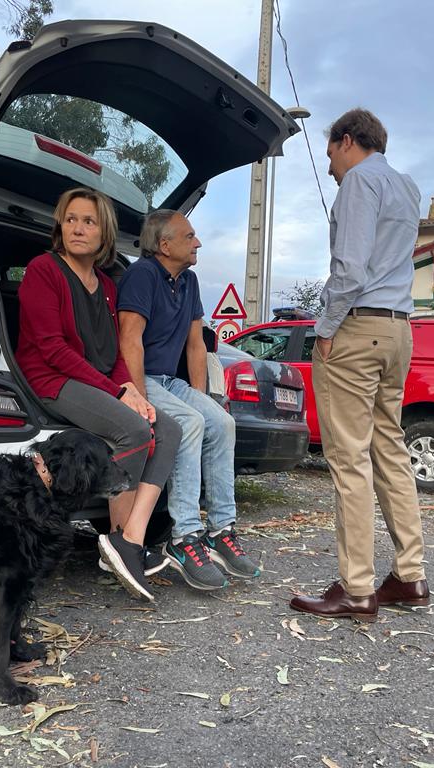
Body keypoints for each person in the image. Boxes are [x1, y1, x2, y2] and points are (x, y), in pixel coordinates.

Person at [289, 108, 430, 622]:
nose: (330, 168)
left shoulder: (359, 183)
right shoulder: (407, 186)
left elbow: (349, 267)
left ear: (348, 141)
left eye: (330, 155)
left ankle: (357, 589)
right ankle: (410, 576)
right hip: (399, 329)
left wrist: (324, 329)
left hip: (357, 326)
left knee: (349, 458)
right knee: (390, 448)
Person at [15, 187, 181, 602]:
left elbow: (113, 352)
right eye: (71, 219)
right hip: (50, 378)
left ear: (103, 232)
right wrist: (116, 393)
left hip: (91, 379)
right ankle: (119, 542)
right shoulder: (44, 269)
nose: (77, 228)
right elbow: (51, 349)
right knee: (135, 431)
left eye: (88, 221)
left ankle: (130, 539)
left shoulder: (107, 284)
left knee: (169, 428)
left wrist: (131, 389)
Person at [117, 210, 260, 591]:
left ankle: (222, 529)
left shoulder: (190, 280)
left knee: (220, 422)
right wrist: (140, 400)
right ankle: (184, 537)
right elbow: (129, 340)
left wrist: (201, 399)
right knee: (188, 423)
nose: (197, 243)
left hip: (170, 379)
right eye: (190, 236)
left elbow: (196, 347)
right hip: (142, 377)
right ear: (164, 245)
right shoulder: (141, 275)